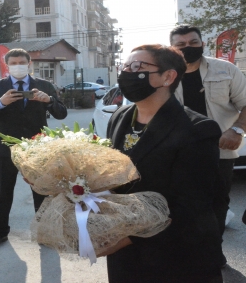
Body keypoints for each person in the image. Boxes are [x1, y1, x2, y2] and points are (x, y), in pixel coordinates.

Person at [104, 44, 223, 282]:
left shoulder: (197, 130)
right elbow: (108, 174)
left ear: (168, 77)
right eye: (126, 66)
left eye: (138, 66)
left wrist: (123, 240)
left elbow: (191, 208)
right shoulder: (120, 116)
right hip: (125, 260)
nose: (128, 72)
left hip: (176, 258)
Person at [0, 48, 67, 250]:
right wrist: (1, 103)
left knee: (41, 193)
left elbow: (62, 113)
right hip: (5, 150)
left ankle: (44, 233)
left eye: (21, 62)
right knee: (3, 194)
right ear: (7, 65)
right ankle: (0, 232)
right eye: (13, 62)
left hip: (37, 148)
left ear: (29, 64)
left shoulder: (44, 85)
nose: (17, 66)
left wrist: (49, 100)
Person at [169, 24, 246, 249]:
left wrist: (237, 129)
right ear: (172, 48)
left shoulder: (226, 70)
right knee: (180, 203)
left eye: (193, 43)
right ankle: (188, 252)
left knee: (217, 203)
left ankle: (213, 251)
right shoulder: (163, 74)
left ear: (203, 43)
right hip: (178, 151)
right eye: (181, 45)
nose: (188, 48)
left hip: (219, 149)